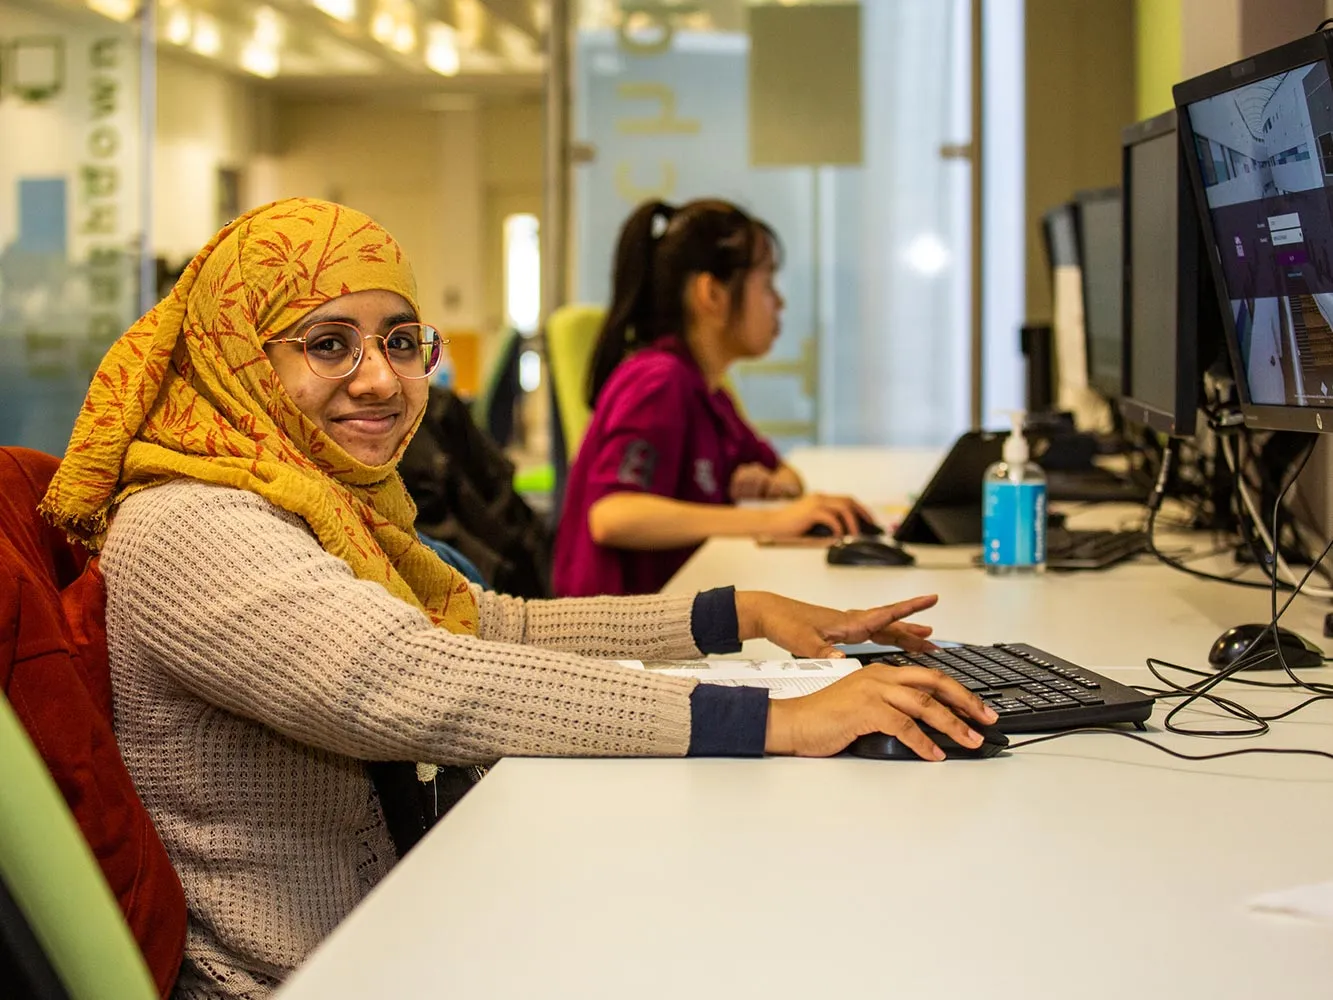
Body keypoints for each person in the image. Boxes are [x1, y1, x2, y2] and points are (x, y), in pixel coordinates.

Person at [40, 198, 994, 999]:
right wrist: (774, 721)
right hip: (314, 973)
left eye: (402, 343)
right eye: (327, 344)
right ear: (235, 355)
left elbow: (489, 620)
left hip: (403, 921)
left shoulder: (317, 500)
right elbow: (403, 679)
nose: (381, 379)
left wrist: (739, 615)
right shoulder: (192, 522)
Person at [553, 198, 877, 599]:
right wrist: (776, 520)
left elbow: (785, 474)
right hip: (615, 640)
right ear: (712, 294)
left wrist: (769, 484)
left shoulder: (712, 394)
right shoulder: (658, 381)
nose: (779, 302)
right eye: (768, 282)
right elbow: (612, 515)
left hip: (674, 611)